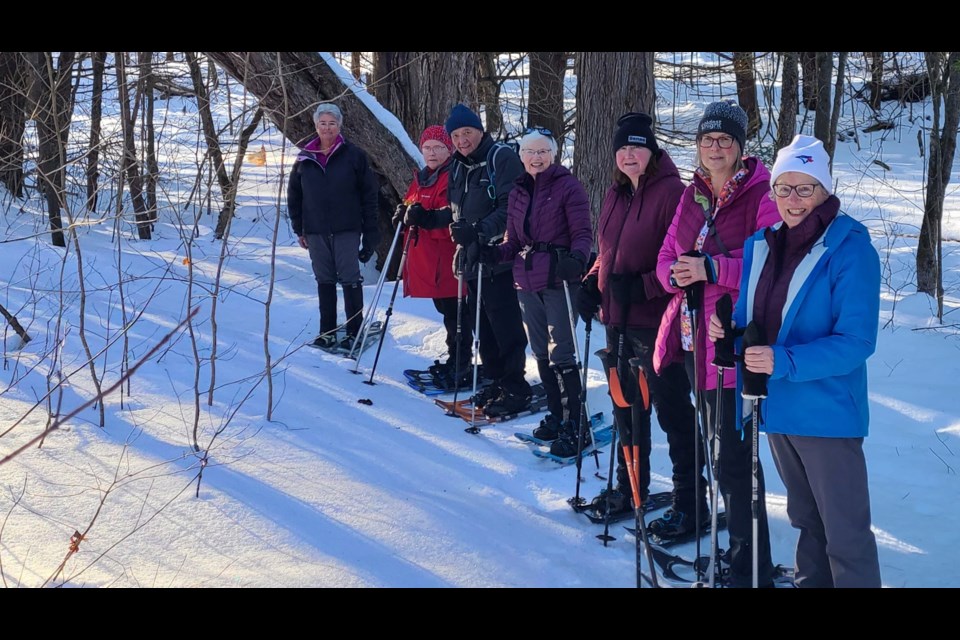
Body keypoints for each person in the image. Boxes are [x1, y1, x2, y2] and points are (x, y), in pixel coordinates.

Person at [709, 134, 882, 588]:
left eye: (806, 188)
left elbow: (857, 341)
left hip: (827, 413)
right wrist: (730, 339)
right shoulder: (761, 246)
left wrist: (781, 360)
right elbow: (756, 325)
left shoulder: (850, 248)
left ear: (825, 190)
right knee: (806, 522)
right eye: (784, 187)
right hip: (777, 408)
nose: (794, 199)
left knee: (845, 535)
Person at [654, 100, 780, 587]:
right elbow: (667, 257)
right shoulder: (693, 196)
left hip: (731, 346)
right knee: (719, 454)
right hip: (693, 344)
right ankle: (738, 556)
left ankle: (752, 568)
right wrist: (677, 272)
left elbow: (770, 265)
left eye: (725, 139)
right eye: (708, 139)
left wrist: (710, 268)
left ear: (740, 146)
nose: (715, 147)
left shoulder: (760, 193)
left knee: (737, 463)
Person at [575, 113, 696, 517]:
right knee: (626, 410)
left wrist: (642, 286)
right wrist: (593, 280)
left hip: (658, 324)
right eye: (623, 148)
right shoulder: (615, 193)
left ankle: (690, 500)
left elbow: (680, 264)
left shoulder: (673, 194)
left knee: (672, 412)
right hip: (618, 321)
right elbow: (609, 252)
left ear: (652, 151)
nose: (629, 155)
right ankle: (631, 490)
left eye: (637, 147)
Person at [480, 127, 592, 455]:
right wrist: (493, 253)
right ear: (522, 156)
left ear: (553, 155)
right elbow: (513, 241)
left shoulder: (568, 186)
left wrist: (577, 259)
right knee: (541, 352)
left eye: (543, 151)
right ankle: (557, 416)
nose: (537, 157)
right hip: (526, 281)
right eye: (531, 152)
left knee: (562, 353)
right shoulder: (518, 191)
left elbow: (583, 232)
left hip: (558, 278)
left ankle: (576, 422)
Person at [445, 104, 533, 417]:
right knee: (480, 323)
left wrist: (480, 231)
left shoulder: (500, 157)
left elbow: (512, 206)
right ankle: (497, 379)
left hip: (498, 256)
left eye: (466, 132)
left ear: (479, 130)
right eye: (455, 135)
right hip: (471, 257)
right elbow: (456, 209)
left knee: (504, 323)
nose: (461, 139)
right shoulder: (456, 165)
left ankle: (515, 385)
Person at [288, 102, 379, 349]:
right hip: (315, 230)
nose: (327, 128)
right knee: (324, 279)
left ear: (340, 126)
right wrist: (300, 229)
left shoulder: (354, 156)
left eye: (332, 123)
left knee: (350, 277)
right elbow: (294, 196)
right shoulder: (305, 158)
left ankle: (354, 331)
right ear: (316, 126)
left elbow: (369, 196)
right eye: (322, 123)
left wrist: (370, 233)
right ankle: (327, 331)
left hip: (347, 228)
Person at [392, 125, 472, 385]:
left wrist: (426, 218)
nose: (432, 153)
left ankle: (461, 364)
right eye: (427, 148)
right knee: (446, 311)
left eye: (438, 147)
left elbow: (454, 212)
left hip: (448, 258)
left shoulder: (453, 176)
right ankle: (454, 361)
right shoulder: (423, 176)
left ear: (449, 149)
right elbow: (411, 202)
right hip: (429, 259)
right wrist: (402, 213)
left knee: (456, 313)